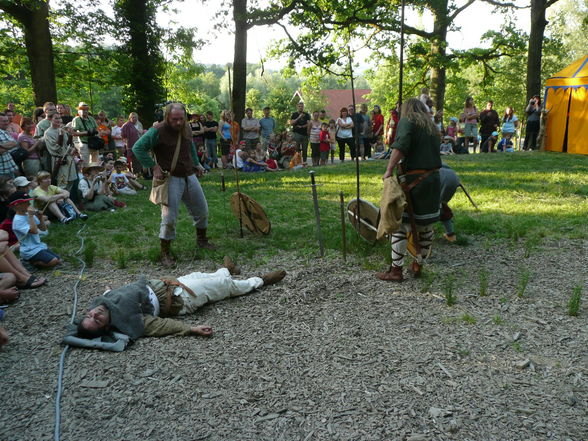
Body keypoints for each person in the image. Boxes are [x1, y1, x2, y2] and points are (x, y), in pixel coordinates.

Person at [70, 259, 286, 346]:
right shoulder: (129, 321)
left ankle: (226, 269)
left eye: (89, 316)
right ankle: (259, 281)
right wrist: (191, 329)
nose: (93, 314)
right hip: (182, 299)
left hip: (172, 284)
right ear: (106, 326)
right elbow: (161, 326)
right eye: (96, 321)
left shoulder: (105, 303)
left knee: (204, 275)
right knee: (225, 286)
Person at [133, 103, 214, 267]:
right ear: (167, 117)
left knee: (202, 210)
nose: (178, 122)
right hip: (170, 178)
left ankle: (202, 240)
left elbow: (190, 146)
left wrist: (197, 164)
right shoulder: (157, 131)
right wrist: (154, 167)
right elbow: (138, 148)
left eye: (181, 119)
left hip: (189, 175)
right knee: (169, 218)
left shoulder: (186, 128)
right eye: (174, 119)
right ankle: (165, 253)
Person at [377, 98, 441, 282]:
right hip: (434, 179)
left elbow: (401, 146)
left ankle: (396, 271)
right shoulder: (431, 126)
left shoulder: (408, 121)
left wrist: (389, 169)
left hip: (415, 181)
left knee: (399, 226)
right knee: (426, 225)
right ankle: (417, 266)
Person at [9, 191, 61, 268]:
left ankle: (33, 261)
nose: (30, 204)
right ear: (17, 205)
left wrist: (40, 217)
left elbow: (43, 229)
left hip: (38, 246)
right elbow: (34, 231)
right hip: (29, 250)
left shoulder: (27, 214)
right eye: (26, 202)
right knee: (53, 261)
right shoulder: (18, 220)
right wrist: (30, 216)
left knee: (59, 260)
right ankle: (28, 262)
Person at [43, 112, 78, 192]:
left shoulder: (62, 129)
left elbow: (67, 145)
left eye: (59, 118)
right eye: (56, 118)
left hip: (68, 158)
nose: (59, 120)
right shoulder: (48, 132)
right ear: (50, 119)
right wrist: (61, 135)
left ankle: (67, 199)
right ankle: (61, 201)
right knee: (62, 183)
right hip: (59, 160)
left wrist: (70, 135)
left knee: (70, 181)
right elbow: (56, 148)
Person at [0, 113, 19, 178]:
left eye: (7, 121)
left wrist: (1, 145)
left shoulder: (4, 132)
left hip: (9, 168)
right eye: (4, 121)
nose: (7, 123)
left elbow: (14, 143)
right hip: (1, 171)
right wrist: (9, 147)